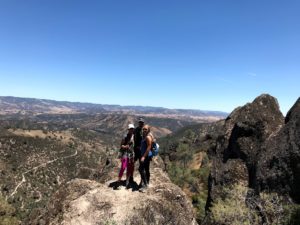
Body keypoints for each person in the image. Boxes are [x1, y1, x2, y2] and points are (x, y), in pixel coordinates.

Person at [118, 123, 135, 188]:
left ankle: (127, 182)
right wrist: (125, 146)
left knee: (129, 168)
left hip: (131, 154)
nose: (131, 130)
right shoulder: (125, 136)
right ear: (128, 129)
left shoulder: (133, 136)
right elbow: (121, 145)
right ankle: (119, 181)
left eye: (132, 129)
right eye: (130, 129)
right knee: (123, 167)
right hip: (125, 154)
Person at [138, 124, 153, 192]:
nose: (144, 130)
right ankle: (147, 183)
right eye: (143, 129)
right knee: (146, 169)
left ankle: (145, 185)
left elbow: (149, 147)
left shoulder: (147, 137)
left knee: (141, 169)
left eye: (145, 129)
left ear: (148, 130)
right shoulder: (145, 136)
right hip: (147, 155)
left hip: (146, 156)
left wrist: (143, 156)